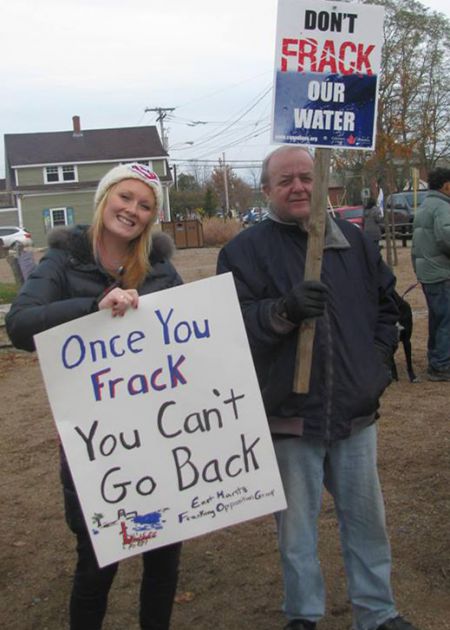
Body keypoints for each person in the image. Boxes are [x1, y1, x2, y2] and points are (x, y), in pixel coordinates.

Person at [217, 146, 419, 630]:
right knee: (296, 531)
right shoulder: (244, 251)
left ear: (323, 181)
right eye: (284, 180)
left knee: (367, 523)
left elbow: (387, 308)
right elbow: (231, 326)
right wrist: (281, 312)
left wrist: (374, 366)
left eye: (307, 176)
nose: (298, 187)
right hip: (288, 414)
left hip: (353, 413)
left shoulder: (353, 241)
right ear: (266, 190)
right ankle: (303, 615)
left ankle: (376, 612)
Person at [6, 162, 183, 630]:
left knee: (164, 558)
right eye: (125, 197)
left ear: (151, 218)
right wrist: (92, 309)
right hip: (97, 442)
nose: (133, 210)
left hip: (161, 433)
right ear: (105, 199)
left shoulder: (161, 267)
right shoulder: (63, 262)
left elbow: (189, 340)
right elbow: (21, 325)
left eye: (145, 205)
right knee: (97, 561)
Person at [411, 167, 450, 381]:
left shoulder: (424, 205)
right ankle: (442, 366)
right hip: (442, 273)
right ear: (446, 185)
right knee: (446, 321)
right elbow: (447, 236)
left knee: (437, 320)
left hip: (428, 273)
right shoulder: (443, 207)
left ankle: (436, 360)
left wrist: (418, 271)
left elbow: (415, 246)